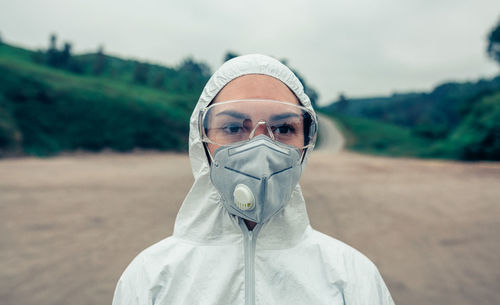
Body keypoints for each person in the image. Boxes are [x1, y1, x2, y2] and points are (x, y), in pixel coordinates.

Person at [112, 54, 395, 305]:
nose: (260, 146)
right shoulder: (150, 278)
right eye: (234, 127)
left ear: (305, 144)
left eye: (283, 128)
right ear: (202, 141)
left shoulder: (352, 277)